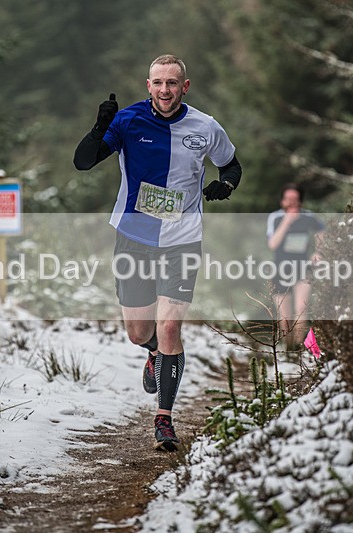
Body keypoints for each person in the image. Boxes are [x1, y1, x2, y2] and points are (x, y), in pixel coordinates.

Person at [74, 54, 242, 451]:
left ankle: (164, 419)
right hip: (134, 235)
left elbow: (231, 165)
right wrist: (100, 126)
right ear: (147, 85)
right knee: (140, 332)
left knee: (169, 327)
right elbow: (83, 162)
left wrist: (226, 186)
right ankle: (152, 354)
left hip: (183, 237)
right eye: (158, 83)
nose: (165, 90)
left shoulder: (205, 126)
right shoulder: (128, 121)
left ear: (185, 86)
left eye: (172, 83)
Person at [267, 184, 324, 349]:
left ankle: (298, 349)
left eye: (295, 199)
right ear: (282, 201)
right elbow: (272, 244)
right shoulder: (275, 217)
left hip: (303, 267)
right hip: (280, 269)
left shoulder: (309, 217)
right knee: (284, 315)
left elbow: (323, 233)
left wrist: (319, 252)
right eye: (288, 199)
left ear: (300, 200)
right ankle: (287, 347)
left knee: (301, 309)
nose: (291, 203)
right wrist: (286, 222)